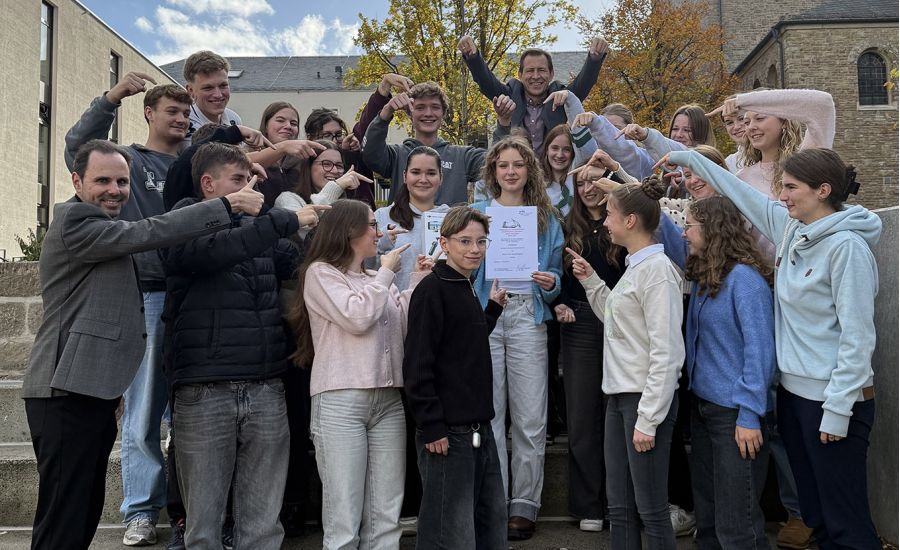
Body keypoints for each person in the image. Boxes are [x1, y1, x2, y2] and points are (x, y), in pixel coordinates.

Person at [21, 139, 262, 550]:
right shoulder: (76, 221)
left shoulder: (105, 229)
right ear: (76, 181)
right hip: (63, 391)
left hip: (89, 389)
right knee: (64, 515)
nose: (114, 190)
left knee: (82, 509)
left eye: (122, 181)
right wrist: (227, 206)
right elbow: (150, 231)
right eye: (102, 180)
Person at [663, 147, 882, 550]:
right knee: (815, 513)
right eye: (781, 186)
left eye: (791, 187)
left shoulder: (847, 248)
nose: (781, 195)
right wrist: (682, 156)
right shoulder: (789, 228)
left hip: (834, 402)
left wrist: (837, 410)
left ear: (823, 190)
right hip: (795, 399)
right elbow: (733, 189)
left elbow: (857, 338)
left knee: (844, 520)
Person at [161, 143, 324, 550]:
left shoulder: (262, 226)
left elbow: (306, 262)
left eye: (251, 179)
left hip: (267, 385)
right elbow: (211, 251)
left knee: (263, 528)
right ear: (207, 184)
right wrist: (279, 220)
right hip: (204, 388)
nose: (251, 188)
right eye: (238, 180)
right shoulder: (182, 219)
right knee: (203, 529)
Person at [62, 76, 194, 547]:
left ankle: (186, 509)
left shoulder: (195, 161)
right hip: (148, 292)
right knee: (142, 413)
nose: (180, 120)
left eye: (186, 113)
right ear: (149, 112)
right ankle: (139, 509)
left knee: (188, 416)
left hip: (193, 294)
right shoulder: (129, 160)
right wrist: (111, 98)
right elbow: (78, 146)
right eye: (171, 111)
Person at [288, 199, 429, 549]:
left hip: (388, 401)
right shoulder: (320, 273)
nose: (378, 232)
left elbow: (404, 328)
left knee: (386, 514)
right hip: (340, 401)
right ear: (349, 230)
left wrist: (418, 280)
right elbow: (358, 317)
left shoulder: (375, 278)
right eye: (371, 225)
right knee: (344, 517)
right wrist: (387, 273)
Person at [567, 174, 684, 550]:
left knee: (650, 508)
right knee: (618, 506)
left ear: (631, 221)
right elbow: (617, 320)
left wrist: (648, 418)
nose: (604, 221)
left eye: (611, 214)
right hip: (618, 399)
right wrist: (592, 282)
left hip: (642, 402)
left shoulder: (658, 272)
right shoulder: (636, 267)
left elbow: (668, 353)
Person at [469, 137, 564, 540]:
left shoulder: (547, 218)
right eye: (503, 165)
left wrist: (550, 282)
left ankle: (524, 505)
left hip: (528, 313)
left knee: (529, 416)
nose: (510, 171)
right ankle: (494, 502)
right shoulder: (476, 213)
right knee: (488, 415)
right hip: (487, 316)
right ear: (492, 172)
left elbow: (558, 276)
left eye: (518, 165)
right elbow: (462, 264)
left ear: (530, 171)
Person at [402, 206, 509, 549]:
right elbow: (418, 363)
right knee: (450, 530)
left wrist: (491, 310)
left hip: (479, 429)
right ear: (444, 243)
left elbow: (466, 342)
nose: (474, 249)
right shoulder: (433, 290)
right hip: (449, 432)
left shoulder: (464, 286)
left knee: (488, 520)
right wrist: (432, 425)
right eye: (465, 241)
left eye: (481, 241)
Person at [682, 196, 776, 549]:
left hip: (736, 416)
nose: (684, 232)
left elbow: (760, 352)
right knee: (708, 520)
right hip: (704, 408)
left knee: (738, 525)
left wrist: (750, 414)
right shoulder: (707, 276)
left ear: (713, 230)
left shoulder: (745, 281)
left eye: (690, 225)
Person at [554, 163, 628, 532]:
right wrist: (561, 302)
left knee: (617, 411)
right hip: (580, 322)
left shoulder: (623, 223)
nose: (588, 188)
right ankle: (588, 506)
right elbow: (559, 276)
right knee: (583, 415)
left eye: (594, 180)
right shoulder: (568, 227)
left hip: (623, 320)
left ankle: (620, 504)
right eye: (580, 182)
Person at [458, 35, 607, 155]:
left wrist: (595, 58)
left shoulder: (560, 99)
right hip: (518, 173)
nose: (535, 76)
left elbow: (583, 84)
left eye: (541, 70)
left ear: (551, 74)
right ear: (520, 75)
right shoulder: (510, 96)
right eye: (530, 71)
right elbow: (486, 83)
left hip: (553, 176)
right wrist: (473, 58)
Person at [362, 81, 486, 204]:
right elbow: (369, 153)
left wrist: (503, 125)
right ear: (409, 113)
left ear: (443, 113)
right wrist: (385, 114)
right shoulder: (396, 155)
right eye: (420, 107)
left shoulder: (463, 157)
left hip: (452, 224)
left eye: (435, 107)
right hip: (403, 223)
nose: (428, 113)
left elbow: (498, 162)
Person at [376, 146, 450, 290]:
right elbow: (365, 265)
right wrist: (383, 242)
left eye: (431, 173)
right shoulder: (382, 217)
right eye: (416, 172)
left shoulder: (452, 218)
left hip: (442, 306)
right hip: (397, 307)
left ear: (441, 178)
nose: (423, 179)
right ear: (405, 176)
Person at [182, 50, 241, 136]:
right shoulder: (182, 123)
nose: (218, 95)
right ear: (190, 91)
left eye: (223, 85)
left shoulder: (234, 119)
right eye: (208, 88)